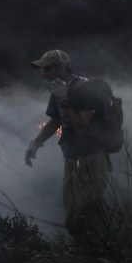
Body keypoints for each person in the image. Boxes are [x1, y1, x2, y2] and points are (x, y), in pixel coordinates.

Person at [24, 49, 110, 240]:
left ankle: (101, 258)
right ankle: (86, 255)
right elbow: (56, 121)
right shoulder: (59, 90)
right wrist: (36, 143)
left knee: (85, 215)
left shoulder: (83, 90)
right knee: (72, 211)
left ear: (61, 68)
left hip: (91, 159)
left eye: (47, 69)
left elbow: (81, 127)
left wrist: (64, 101)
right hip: (72, 159)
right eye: (42, 69)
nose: (42, 73)